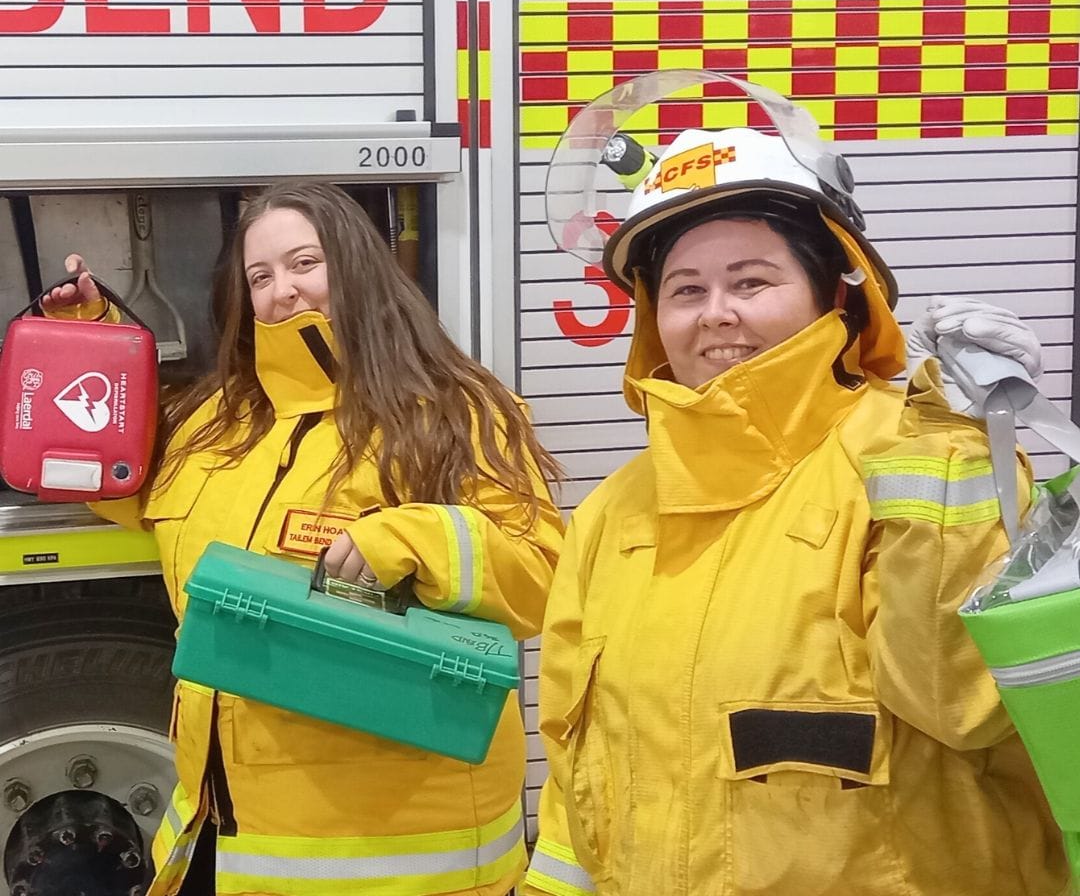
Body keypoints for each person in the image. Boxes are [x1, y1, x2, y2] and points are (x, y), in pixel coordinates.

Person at [522, 108, 1069, 895]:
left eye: (751, 282)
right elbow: (576, 779)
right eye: (686, 289)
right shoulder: (615, 513)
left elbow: (964, 706)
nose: (716, 312)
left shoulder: (919, 463)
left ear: (834, 294)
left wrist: (954, 448)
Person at [44, 181, 563, 896]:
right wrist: (92, 345)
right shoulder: (217, 421)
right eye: (260, 276)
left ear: (356, 267)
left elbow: (541, 574)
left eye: (304, 263)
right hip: (223, 829)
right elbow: (118, 481)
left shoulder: (454, 411)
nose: (281, 291)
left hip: (393, 857)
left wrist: (421, 539)